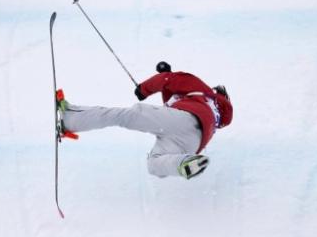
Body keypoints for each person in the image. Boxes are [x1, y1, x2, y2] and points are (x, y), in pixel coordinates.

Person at [60, 61, 233, 179]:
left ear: (217, 93)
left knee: (127, 116)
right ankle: (183, 163)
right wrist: (166, 74)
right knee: (154, 163)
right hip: (194, 141)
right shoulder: (214, 115)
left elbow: (168, 81)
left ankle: (70, 119)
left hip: (186, 119)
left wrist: (143, 89)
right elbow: (172, 105)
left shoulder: (204, 91)